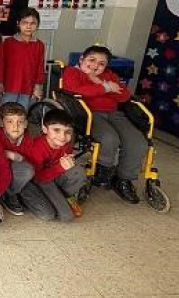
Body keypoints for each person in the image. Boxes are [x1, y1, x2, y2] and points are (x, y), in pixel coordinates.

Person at [62, 45, 147, 204]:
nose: (95, 66)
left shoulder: (110, 75)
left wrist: (100, 81)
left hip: (115, 114)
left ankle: (123, 179)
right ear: (81, 59)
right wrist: (106, 87)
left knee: (138, 142)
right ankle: (103, 171)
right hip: (89, 114)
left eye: (101, 64)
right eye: (91, 60)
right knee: (109, 138)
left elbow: (124, 96)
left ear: (106, 66)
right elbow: (76, 90)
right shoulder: (72, 72)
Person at [25, 109, 85, 221]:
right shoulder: (37, 147)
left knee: (79, 171)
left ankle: (64, 196)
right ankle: (28, 197)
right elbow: (37, 178)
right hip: (39, 181)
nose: (62, 136)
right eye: (56, 130)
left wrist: (66, 164)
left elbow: (64, 164)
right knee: (62, 216)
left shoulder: (65, 143)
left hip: (53, 176)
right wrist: (60, 167)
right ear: (45, 129)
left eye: (68, 132)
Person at [0, 102, 37, 216]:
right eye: (10, 121)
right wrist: (6, 154)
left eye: (20, 122)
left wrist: (22, 159)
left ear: (26, 124)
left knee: (28, 169)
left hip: (17, 175)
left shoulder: (29, 139)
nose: (15, 126)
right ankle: (8, 195)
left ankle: (14, 191)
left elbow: (33, 159)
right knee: (26, 170)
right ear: (1, 123)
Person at [2, 8, 45, 110]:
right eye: (25, 23)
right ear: (18, 23)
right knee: (6, 112)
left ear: (37, 25)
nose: (28, 26)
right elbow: (2, 64)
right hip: (9, 86)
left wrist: (38, 86)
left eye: (33, 23)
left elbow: (40, 67)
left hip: (28, 88)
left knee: (23, 113)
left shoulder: (39, 45)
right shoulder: (8, 42)